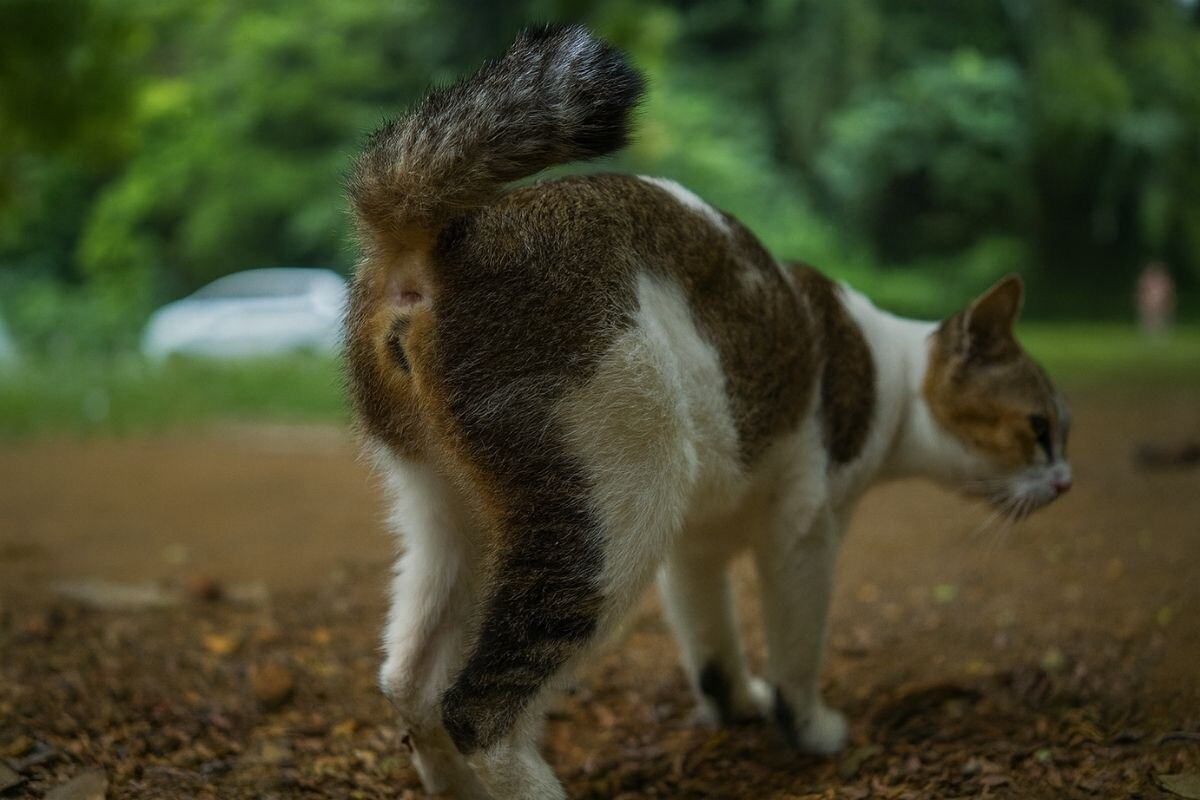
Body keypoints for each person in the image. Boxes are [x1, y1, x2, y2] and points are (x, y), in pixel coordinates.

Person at [1136, 261, 1176, 336]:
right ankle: (1149, 332)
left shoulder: (1164, 279)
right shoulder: (1146, 279)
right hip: (1149, 301)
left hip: (1160, 301)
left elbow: (1168, 291)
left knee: (1162, 316)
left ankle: (1162, 333)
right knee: (1149, 317)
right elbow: (1142, 290)